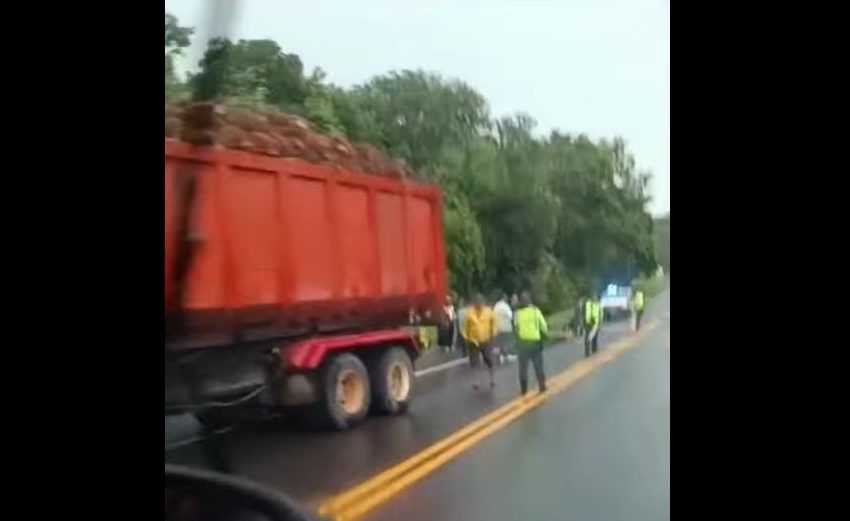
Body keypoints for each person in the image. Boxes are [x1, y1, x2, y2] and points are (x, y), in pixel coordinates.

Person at [514, 291, 548, 396]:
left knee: (523, 367)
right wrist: (545, 334)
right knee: (538, 365)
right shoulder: (535, 311)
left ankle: (524, 389)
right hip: (535, 342)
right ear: (529, 301)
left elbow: (516, 328)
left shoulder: (517, 314)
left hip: (523, 343)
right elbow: (543, 325)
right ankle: (542, 385)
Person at [463, 292, 496, 389]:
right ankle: (476, 381)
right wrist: (466, 337)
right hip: (473, 341)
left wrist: (492, 335)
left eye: (480, 301)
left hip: (486, 340)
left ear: (483, 302)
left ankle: (492, 379)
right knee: (474, 362)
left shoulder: (489, 311)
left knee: (489, 359)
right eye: (476, 302)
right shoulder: (469, 313)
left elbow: (494, 324)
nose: (478, 303)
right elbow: (465, 327)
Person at [493, 292, 514, 364]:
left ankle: (501, 357)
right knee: (507, 341)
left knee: (501, 342)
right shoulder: (505, 306)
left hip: (499, 326)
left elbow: (493, 316)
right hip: (506, 326)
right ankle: (508, 355)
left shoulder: (496, 306)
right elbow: (510, 315)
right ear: (503, 298)